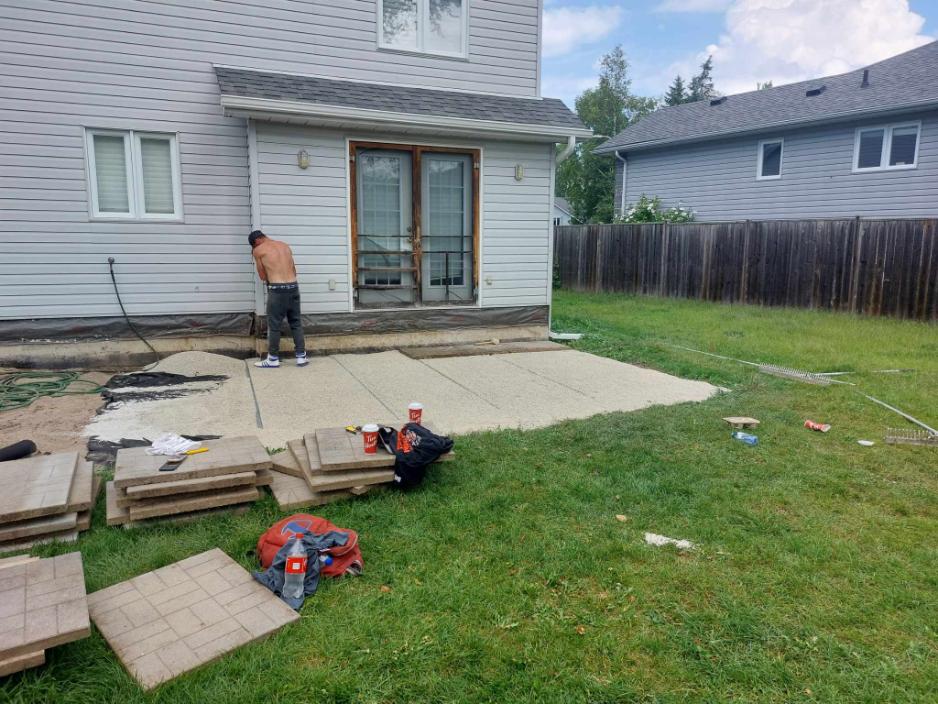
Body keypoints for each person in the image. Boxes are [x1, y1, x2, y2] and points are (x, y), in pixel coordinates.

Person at [249, 230, 307, 368]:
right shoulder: (285, 245)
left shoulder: (258, 250)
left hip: (277, 290)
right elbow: (294, 271)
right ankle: (301, 357)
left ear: (256, 241)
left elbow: (263, 276)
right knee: (296, 323)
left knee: (274, 326)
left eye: (253, 245)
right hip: (293, 287)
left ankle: (273, 359)